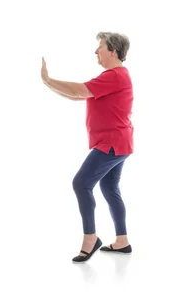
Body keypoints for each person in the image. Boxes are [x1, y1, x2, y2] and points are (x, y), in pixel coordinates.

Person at [41, 32, 134, 263]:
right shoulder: (113, 77)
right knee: (110, 188)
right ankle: (122, 241)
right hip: (119, 142)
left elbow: (78, 90)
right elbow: (77, 96)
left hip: (111, 143)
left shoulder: (115, 76)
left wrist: (48, 80)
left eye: (100, 47)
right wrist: (49, 84)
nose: (96, 51)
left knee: (81, 184)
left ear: (113, 51)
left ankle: (90, 238)